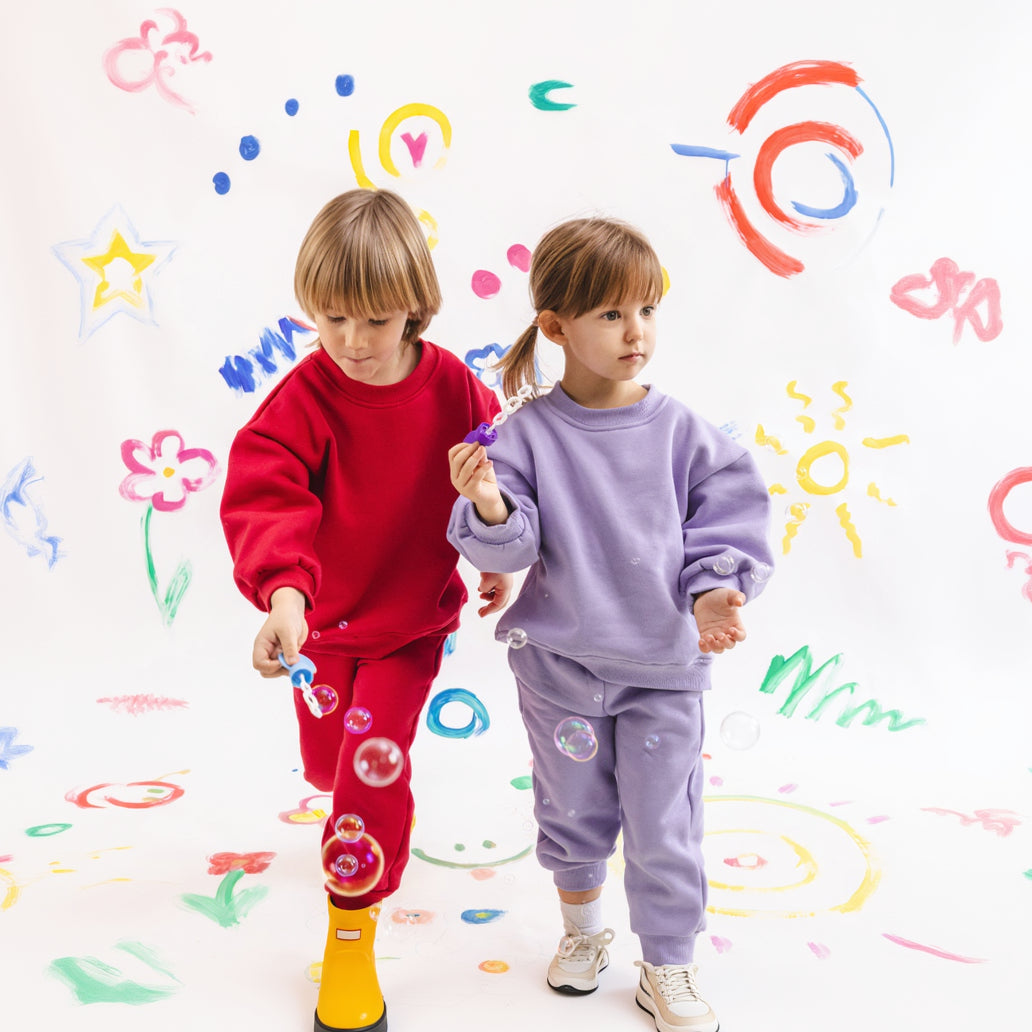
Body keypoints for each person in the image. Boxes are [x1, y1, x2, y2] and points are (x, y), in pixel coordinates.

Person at [446, 216, 774, 1032]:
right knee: (571, 815)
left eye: (648, 310)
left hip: (661, 670)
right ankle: (584, 934)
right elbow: (511, 547)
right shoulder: (525, 436)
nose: (637, 333)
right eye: (612, 314)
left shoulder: (682, 433)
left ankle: (667, 965)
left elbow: (727, 521)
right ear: (556, 327)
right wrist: (487, 501)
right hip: (559, 669)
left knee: (665, 825)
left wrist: (714, 593)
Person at [220, 188, 512, 1032]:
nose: (352, 340)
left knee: (366, 770)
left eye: (376, 320)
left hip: (409, 625)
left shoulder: (457, 390)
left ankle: (351, 930)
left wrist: (496, 550)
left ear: (415, 307)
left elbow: (503, 478)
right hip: (320, 631)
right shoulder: (303, 399)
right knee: (328, 765)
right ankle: (361, 813)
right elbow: (269, 497)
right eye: (333, 318)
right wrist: (284, 600)